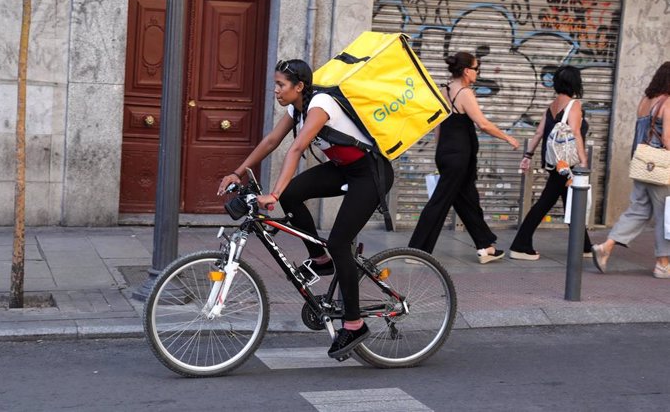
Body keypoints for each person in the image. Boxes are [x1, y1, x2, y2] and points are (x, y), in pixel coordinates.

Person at [217, 59, 394, 357]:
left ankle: (354, 324)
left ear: (299, 87)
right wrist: (238, 171)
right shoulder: (295, 109)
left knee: (339, 242)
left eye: (281, 85)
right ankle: (320, 259)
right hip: (342, 169)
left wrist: (273, 193)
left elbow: (297, 148)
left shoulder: (321, 103)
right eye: (275, 84)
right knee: (293, 194)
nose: (276, 90)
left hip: (369, 174)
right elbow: (272, 140)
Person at [408, 52, 519, 263]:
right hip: (459, 157)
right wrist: (508, 138)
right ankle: (416, 250)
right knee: (439, 202)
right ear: (467, 71)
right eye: (477, 68)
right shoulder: (465, 93)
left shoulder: (444, 90)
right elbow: (483, 124)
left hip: (448, 155)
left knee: (468, 200)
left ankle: (485, 246)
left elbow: (438, 126)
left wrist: (439, 153)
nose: (478, 73)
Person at [592, 62, 670, 279]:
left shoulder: (645, 102)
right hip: (661, 168)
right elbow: (667, 139)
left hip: (642, 165)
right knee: (666, 215)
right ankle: (663, 264)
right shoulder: (668, 102)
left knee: (638, 210)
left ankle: (606, 247)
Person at [509, 65, 592, 261]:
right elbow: (576, 133)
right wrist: (583, 160)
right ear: (575, 83)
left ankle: (585, 246)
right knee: (546, 202)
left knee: (571, 202)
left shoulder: (552, 105)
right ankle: (520, 244)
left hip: (554, 162)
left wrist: (528, 155)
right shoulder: (574, 105)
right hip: (567, 163)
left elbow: (538, 133)